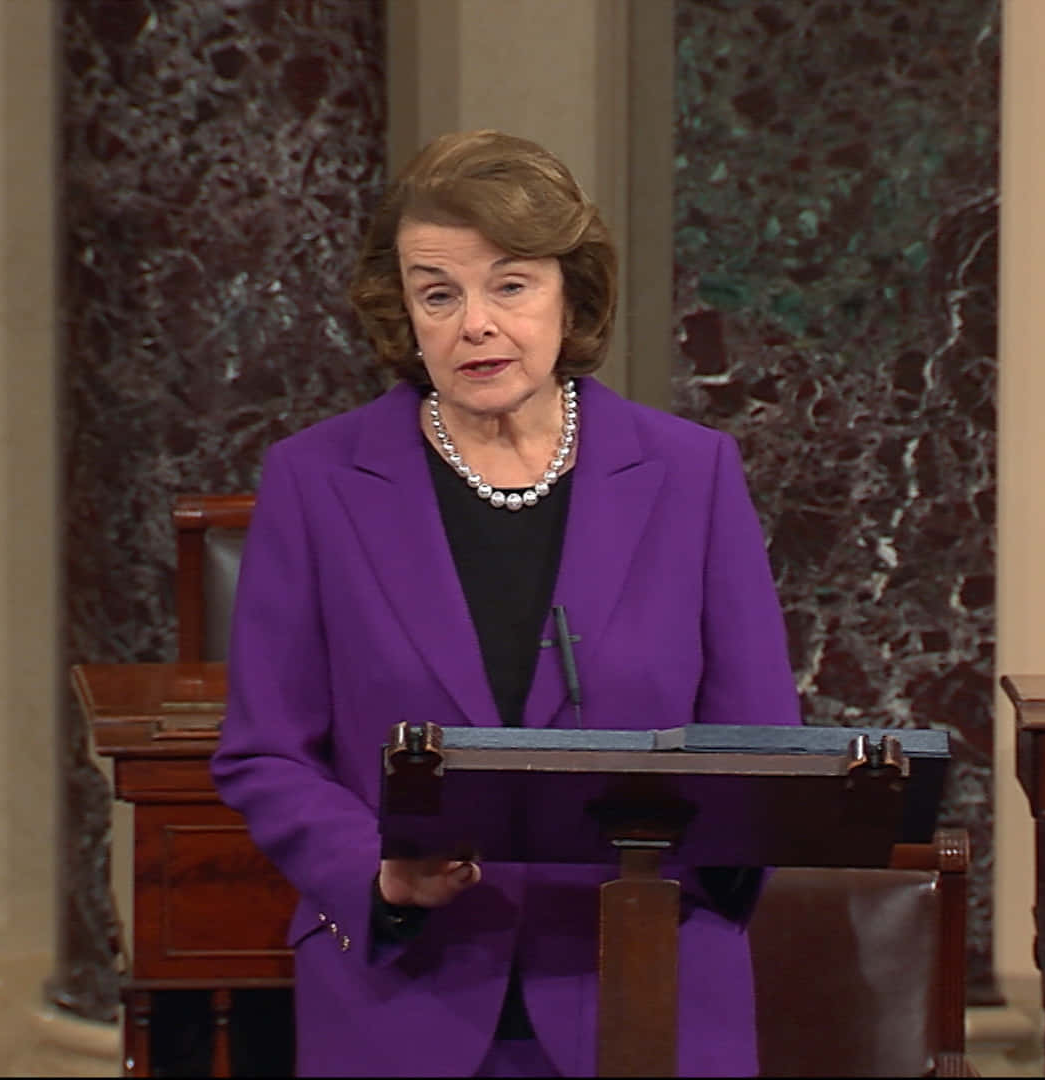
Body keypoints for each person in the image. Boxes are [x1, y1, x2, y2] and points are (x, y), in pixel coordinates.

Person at [208, 129, 802, 1078]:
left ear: (572, 295)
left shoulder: (692, 475)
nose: (474, 323)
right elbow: (267, 748)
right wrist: (379, 875)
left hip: (645, 988)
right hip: (406, 994)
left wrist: (694, 875)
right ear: (404, 312)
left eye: (511, 285)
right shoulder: (316, 481)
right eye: (438, 293)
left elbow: (762, 744)